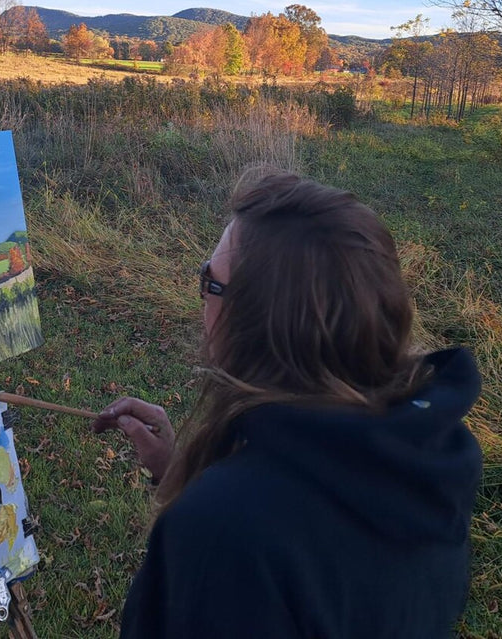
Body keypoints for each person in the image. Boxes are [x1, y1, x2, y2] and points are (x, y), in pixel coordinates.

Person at [93, 168, 482, 638]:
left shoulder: (223, 534)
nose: (201, 298)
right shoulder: (423, 461)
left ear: (262, 323)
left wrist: (212, 502)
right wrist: (179, 473)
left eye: (209, 282)